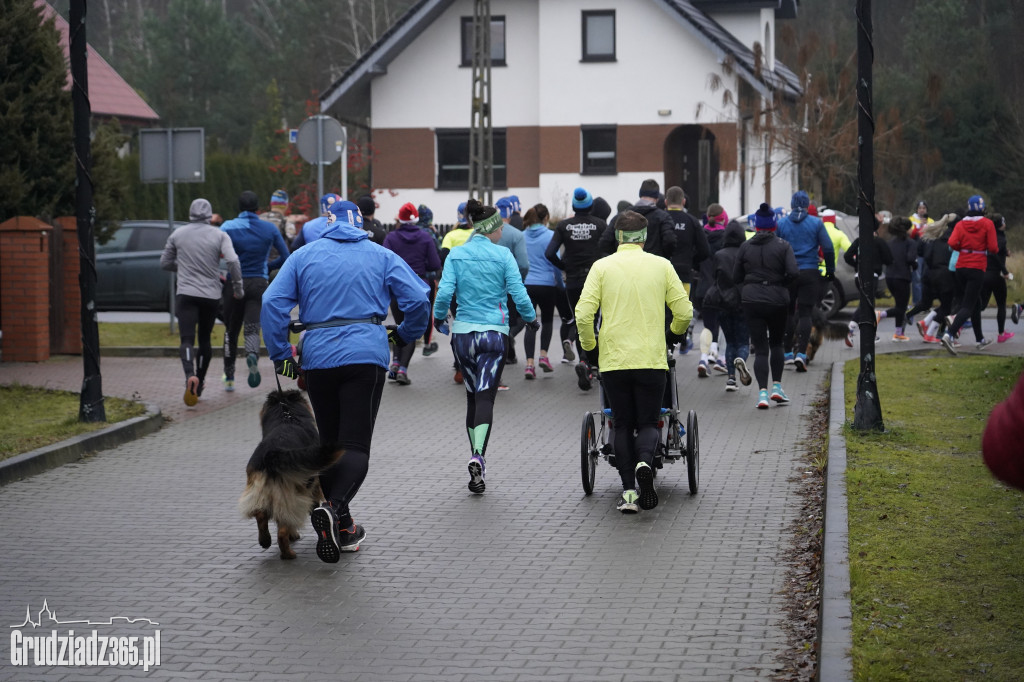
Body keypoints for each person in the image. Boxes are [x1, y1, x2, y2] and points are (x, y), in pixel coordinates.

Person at [261, 199, 429, 561]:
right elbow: (417, 298)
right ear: (361, 224)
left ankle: (345, 526)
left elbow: (272, 302)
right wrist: (403, 334)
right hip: (365, 356)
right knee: (355, 446)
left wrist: (280, 354)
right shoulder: (380, 255)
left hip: (318, 357)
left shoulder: (304, 256)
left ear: (327, 222)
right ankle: (333, 508)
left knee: (331, 441)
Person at [575, 210, 692, 513]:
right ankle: (645, 462)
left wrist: (590, 348)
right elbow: (684, 311)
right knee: (649, 421)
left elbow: (583, 314)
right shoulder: (661, 266)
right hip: (651, 358)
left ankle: (628, 492)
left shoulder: (601, 267)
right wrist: (673, 335)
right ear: (643, 237)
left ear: (617, 236)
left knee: (622, 423)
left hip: (614, 359)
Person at [432, 199, 538, 494]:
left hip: (464, 336)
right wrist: (531, 320)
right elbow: (519, 292)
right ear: (490, 229)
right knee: (486, 398)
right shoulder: (503, 256)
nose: (502, 234)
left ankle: (476, 460)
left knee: (471, 398)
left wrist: (440, 319)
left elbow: (444, 294)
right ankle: (478, 455)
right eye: (499, 229)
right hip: (494, 336)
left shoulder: (456, 254)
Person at [160, 198, 243, 405]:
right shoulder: (220, 235)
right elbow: (233, 260)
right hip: (210, 296)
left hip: (186, 294)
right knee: (204, 339)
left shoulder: (178, 234)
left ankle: (190, 376)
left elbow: (165, 262)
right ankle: (201, 380)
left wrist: (185, 268)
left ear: (190, 213)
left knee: (186, 339)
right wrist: (238, 287)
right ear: (209, 215)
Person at [221, 190, 290, 390]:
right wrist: (267, 267)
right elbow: (286, 256)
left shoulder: (227, 227)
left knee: (231, 330)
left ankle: (229, 377)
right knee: (252, 326)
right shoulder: (269, 229)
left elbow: (220, 255)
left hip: (234, 282)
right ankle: (251, 355)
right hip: (259, 282)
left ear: (239, 207)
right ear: (258, 208)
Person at [733, 204, 798, 410]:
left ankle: (762, 394)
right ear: (773, 225)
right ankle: (777, 388)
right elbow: (794, 273)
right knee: (776, 344)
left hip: (751, 301)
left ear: (756, 227)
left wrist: (749, 287)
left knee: (760, 349)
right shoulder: (783, 245)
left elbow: (735, 276)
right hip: (778, 300)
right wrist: (781, 285)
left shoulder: (745, 246)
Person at [545, 187, 608, 390]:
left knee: (581, 322)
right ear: (590, 205)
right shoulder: (600, 225)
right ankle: (592, 363)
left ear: (574, 205)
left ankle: (584, 361)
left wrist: (565, 267)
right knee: (595, 322)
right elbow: (610, 249)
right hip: (595, 279)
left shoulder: (564, 226)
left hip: (572, 281)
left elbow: (549, 253)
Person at [381, 202, 442, 384]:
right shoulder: (425, 238)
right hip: (418, 286)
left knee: (399, 324)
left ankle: (395, 363)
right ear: (416, 219)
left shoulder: (391, 238)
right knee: (412, 329)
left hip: (396, 287)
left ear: (399, 219)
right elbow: (434, 264)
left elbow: (383, 262)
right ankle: (403, 370)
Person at [776, 191, 834, 371]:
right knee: (806, 313)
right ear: (807, 204)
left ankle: (786, 353)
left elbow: (777, 248)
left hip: (789, 272)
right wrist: (830, 271)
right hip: (810, 272)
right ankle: (801, 353)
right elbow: (828, 248)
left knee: (788, 312)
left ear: (792, 204)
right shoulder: (816, 223)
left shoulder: (782, 223)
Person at [942, 195, 998, 355]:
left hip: (961, 267)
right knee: (968, 305)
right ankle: (949, 334)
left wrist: (965, 248)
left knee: (976, 303)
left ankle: (980, 339)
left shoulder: (960, 224)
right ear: (982, 207)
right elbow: (993, 248)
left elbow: (952, 243)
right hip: (977, 266)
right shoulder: (987, 224)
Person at [704, 220, 750, 392]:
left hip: (723, 303)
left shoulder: (719, 255)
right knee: (743, 341)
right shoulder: (745, 253)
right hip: (742, 302)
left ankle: (731, 379)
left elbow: (715, 278)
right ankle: (742, 360)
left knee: (730, 341)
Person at [521, 203, 564, 379]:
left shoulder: (521, 236)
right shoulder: (551, 236)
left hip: (527, 284)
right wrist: (560, 284)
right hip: (547, 284)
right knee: (547, 321)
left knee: (530, 325)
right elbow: (556, 263)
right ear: (546, 218)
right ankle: (544, 356)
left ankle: (529, 365)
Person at [693, 203, 730, 377]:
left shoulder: (700, 236)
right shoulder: (726, 238)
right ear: (723, 218)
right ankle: (720, 357)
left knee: (707, 326)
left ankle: (703, 358)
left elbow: (695, 260)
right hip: (721, 289)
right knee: (723, 324)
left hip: (702, 289)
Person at [601, 179, 676, 260]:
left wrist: (619, 255)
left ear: (640, 195)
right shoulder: (663, 217)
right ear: (657, 198)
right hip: (653, 266)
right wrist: (663, 257)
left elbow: (605, 242)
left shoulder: (622, 216)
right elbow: (669, 240)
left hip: (626, 265)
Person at [876, 217, 917, 341]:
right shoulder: (910, 243)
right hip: (902, 277)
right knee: (901, 307)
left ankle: (898, 333)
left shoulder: (890, 242)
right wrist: (915, 265)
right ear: (906, 229)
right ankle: (880, 314)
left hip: (890, 276)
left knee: (900, 305)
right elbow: (910, 259)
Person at [978, 214, 1014, 343]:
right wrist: (1004, 271)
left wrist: (1005, 252)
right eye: (1003, 222)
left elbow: (995, 252)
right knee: (1001, 305)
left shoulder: (987, 236)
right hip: (996, 275)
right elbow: (995, 255)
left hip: (984, 273)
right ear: (1000, 225)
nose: (1005, 223)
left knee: (981, 305)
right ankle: (1001, 333)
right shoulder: (1001, 239)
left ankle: (958, 322)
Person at [416, 204, 443, 355]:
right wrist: (437, 233)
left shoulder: (411, 230)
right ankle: (427, 344)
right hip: (427, 278)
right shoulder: (430, 234)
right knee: (428, 311)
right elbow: (439, 251)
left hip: (408, 277)